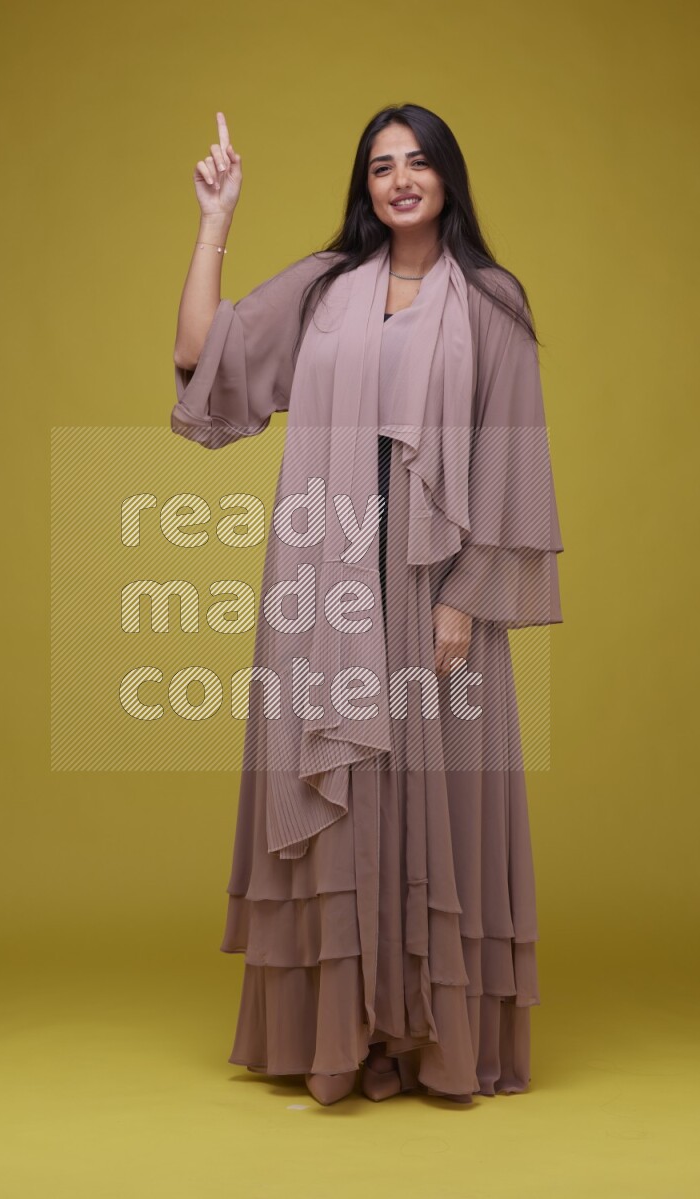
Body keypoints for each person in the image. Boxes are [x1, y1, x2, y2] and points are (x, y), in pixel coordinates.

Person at [171, 105, 564, 1107]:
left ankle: (434, 1038)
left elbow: (508, 457)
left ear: (446, 178)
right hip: (323, 579)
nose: (398, 179)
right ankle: (339, 1039)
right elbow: (202, 360)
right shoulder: (322, 289)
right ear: (365, 184)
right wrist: (215, 221)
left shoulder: (488, 301)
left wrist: (463, 600)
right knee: (339, 792)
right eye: (381, 165)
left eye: (417, 162)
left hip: (432, 585)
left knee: (435, 798)